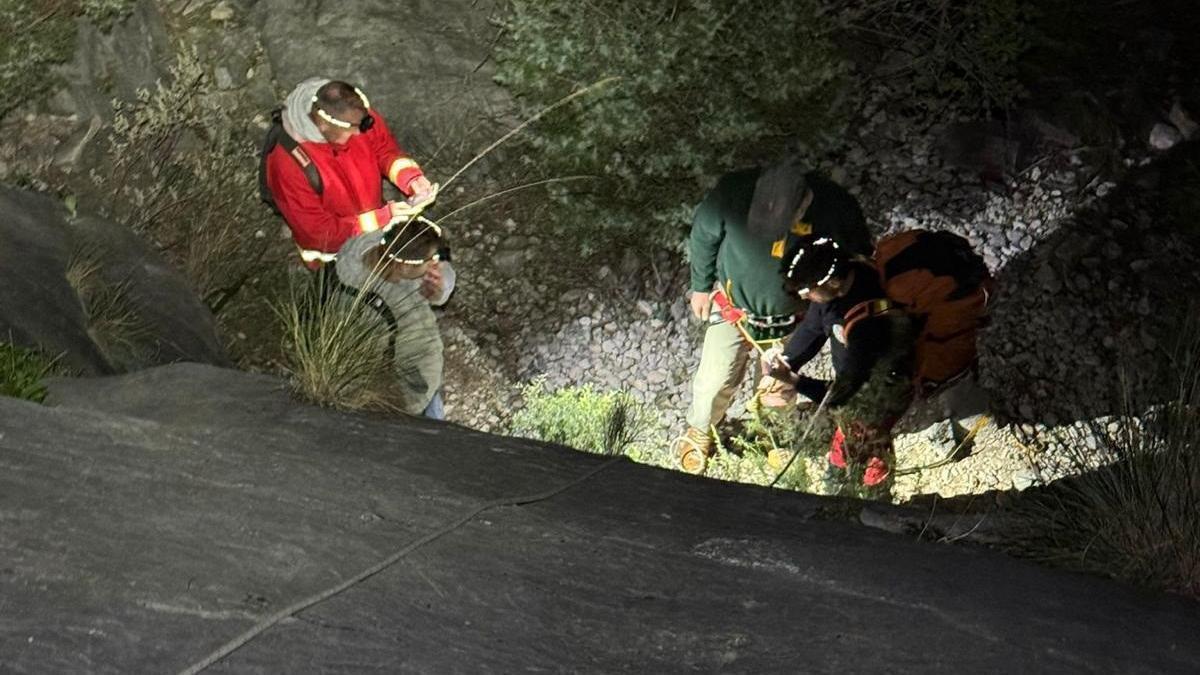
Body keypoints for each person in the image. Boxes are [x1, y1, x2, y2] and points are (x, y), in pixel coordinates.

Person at [673, 157, 872, 474]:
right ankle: (700, 430)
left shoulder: (834, 206)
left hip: (793, 317)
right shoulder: (731, 193)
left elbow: (860, 254)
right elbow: (703, 235)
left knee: (776, 384)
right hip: (733, 306)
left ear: (803, 203)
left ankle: (774, 436)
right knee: (712, 380)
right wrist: (700, 285)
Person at [767, 237, 917, 487]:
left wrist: (793, 381)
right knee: (849, 440)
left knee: (869, 439)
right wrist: (787, 360)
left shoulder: (868, 323)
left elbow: (844, 395)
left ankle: (873, 493)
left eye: (806, 291)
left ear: (833, 282)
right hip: (856, 381)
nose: (804, 297)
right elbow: (813, 328)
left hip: (881, 390)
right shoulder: (837, 288)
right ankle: (850, 482)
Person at [263, 77, 436, 268]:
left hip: (374, 234)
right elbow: (318, 233)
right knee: (345, 293)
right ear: (323, 125)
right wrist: (380, 219)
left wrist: (411, 179)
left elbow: (384, 150)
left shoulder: (355, 116)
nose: (359, 134)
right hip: (332, 258)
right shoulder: (287, 164)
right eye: (353, 130)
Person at [334, 219, 455, 419]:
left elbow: (444, 270)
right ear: (404, 268)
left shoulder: (380, 242)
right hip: (404, 395)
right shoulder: (394, 311)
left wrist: (439, 289)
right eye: (430, 262)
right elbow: (420, 374)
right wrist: (411, 409)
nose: (436, 265)